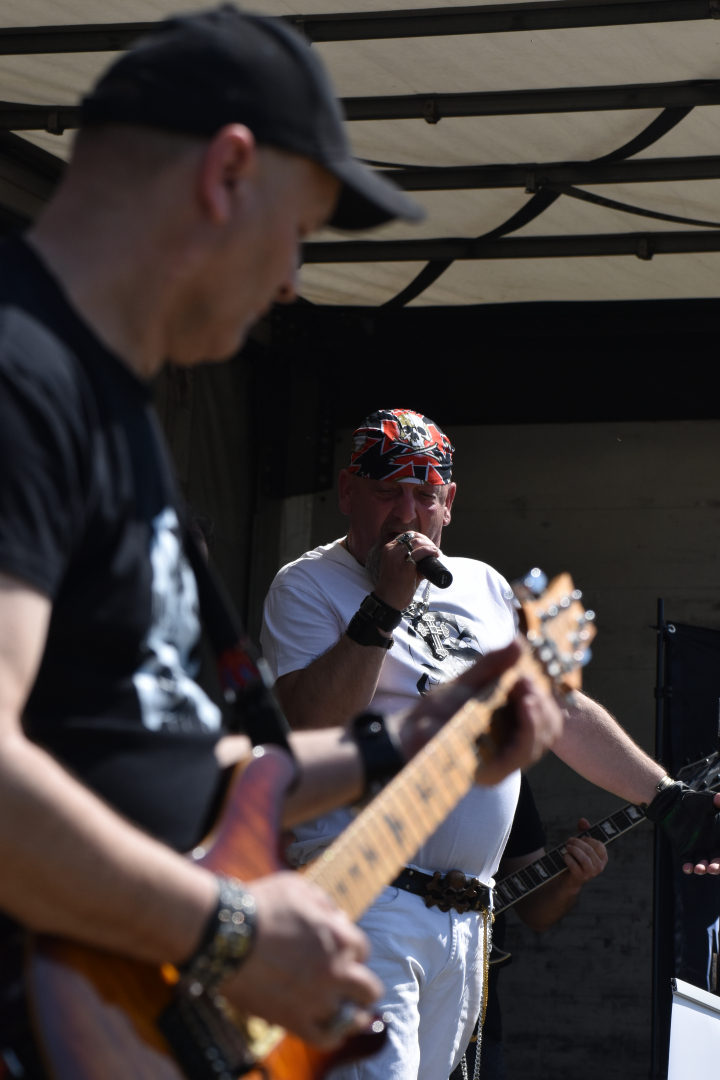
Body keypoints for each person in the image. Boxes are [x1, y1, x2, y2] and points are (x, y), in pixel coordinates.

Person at [0, 11, 567, 1078]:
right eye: (298, 228)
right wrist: (227, 929)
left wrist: (419, 737)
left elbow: (174, 764)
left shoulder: (109, 412)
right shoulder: (22, 382)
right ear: (227, 173)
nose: (294, 279)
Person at [260, 406, 720, 1080]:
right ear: (348, 492)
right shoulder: (307, 584)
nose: (406, 513)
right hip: (362, 899)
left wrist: (667, 798)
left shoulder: (483, 587)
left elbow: (559, 708)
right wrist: (385, 603)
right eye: (387, 491)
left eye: (425, 495)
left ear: (449, 503)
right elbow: (312, 725)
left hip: (466, 918)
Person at [450, 777, 609, 1080]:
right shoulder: (389, 764)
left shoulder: (507, 778)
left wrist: (571, 882)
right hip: (387, 995)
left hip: (473, 1022)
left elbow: (537, 913)